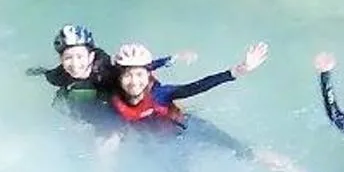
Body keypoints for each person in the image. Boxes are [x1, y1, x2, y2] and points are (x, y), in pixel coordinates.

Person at [102, 39, 267, 127]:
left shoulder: (160, 94)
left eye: (139, 75)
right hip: (147, 131)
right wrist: (173, 58)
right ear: (119, 76)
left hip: (180, 128)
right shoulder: (113, 87)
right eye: (127, 76)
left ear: (148, 75)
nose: (134, 82)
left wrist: (238, 70)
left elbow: (197, 87)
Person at [30, 24, 183, 104]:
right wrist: (39, 71)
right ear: (61, 60)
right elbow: (48, 73)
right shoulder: (58, 76)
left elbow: (138, 67)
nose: (75, 63)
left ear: (91, 57)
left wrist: (169, 60)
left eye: (79, 56)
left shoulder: (104, 72)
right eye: (68, 58)